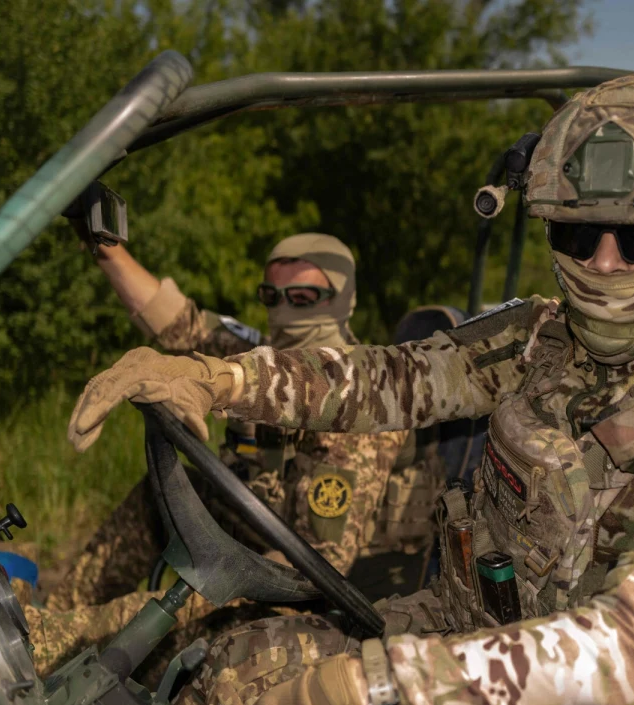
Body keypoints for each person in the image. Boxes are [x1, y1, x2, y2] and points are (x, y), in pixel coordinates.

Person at [68, 73, 634, 705]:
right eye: (579, 231)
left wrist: (379, 685)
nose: (604, 262)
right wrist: (216, 381)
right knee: (249, 658)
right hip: (474, 635)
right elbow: (382, 380)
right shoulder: (539, 340)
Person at [26, 234, 443, 675]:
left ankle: (51, 645)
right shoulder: (265, 364)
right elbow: (181, 325)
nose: (284, 308)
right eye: (271, 295)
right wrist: (104, 245)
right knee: (163, 491)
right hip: (260, 536)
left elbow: (315, 567)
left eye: (303, 296)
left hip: (323, 595)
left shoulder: (361, 404)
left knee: (205, 591)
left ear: (344, 299)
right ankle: (58, 614)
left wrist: (220, 565)